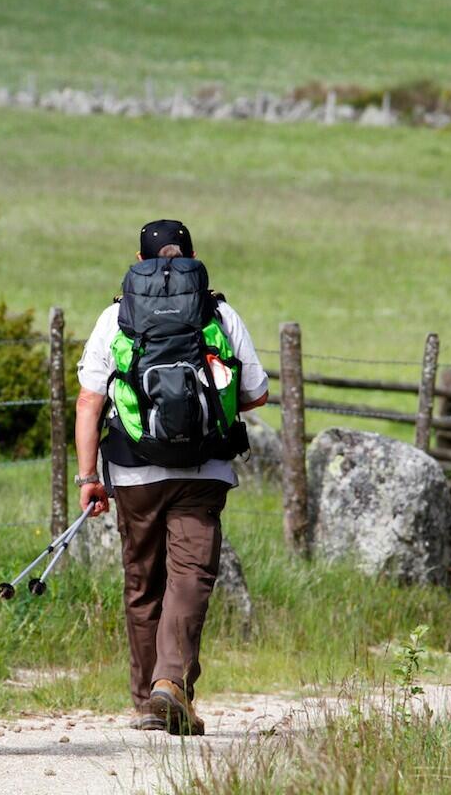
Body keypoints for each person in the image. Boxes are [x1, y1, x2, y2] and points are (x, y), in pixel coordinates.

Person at [73, 219, 269, 735]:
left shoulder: (116, 316)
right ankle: (171, 686)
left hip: (134, 469)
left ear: (138, 261)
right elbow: (256, 393)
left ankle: (148, 701)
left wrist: (88, 476)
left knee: (143, 582)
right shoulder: (218, 312)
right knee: (191, 576)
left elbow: (90, 399)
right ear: (190, 255)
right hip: (204, 468)